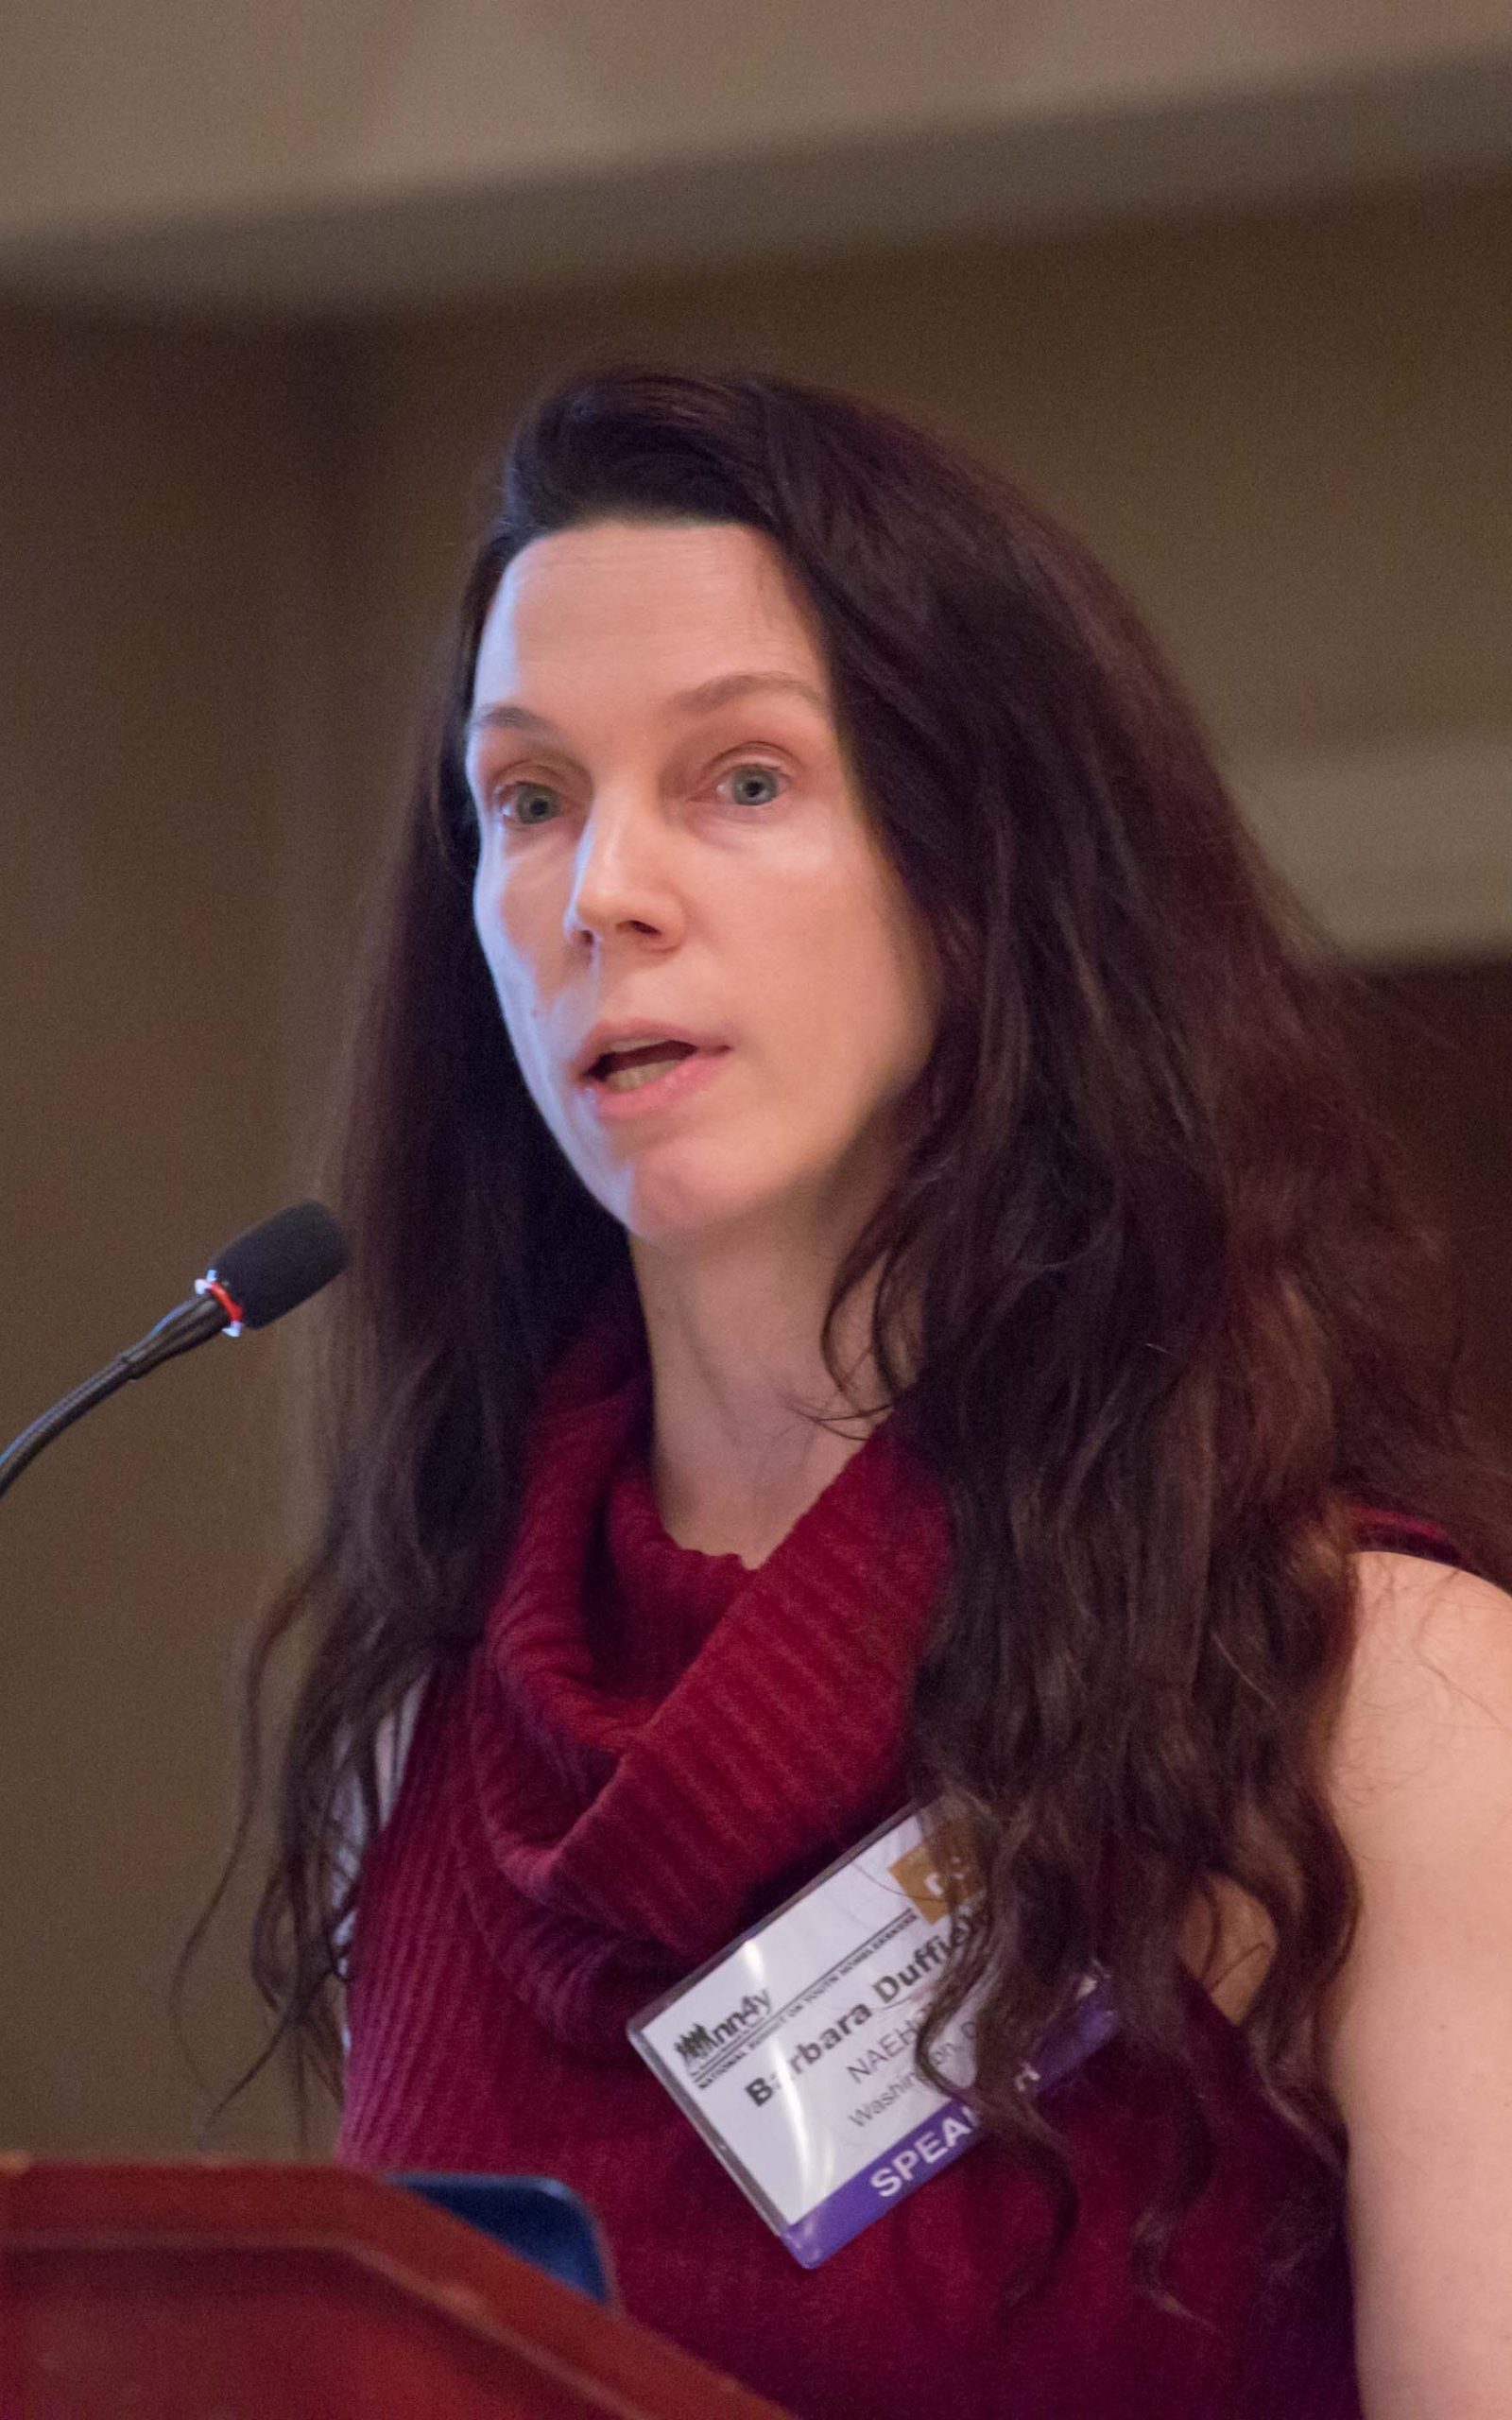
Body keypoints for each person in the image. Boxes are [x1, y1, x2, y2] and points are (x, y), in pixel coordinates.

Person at [241, 369, 1512, 2418]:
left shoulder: (1375, 1703)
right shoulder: (428, 1717)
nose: (602, 890)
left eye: (741, 779)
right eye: (530, 799)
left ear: (985, 876)